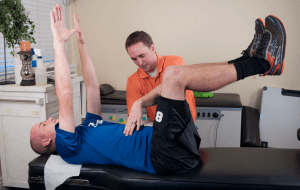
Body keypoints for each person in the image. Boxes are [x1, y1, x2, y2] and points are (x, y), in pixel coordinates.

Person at [30, 4, 286, 175]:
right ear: (46, 141)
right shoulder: (68, 145)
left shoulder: (87, 128)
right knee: (174, 76)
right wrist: (58, 42)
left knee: (176, 74)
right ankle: (261, 62)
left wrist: (82, 44)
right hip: (162, 155)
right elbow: (64, 95)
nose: (50, 119)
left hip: (171, 141)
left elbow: (92, 87)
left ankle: (253, 58)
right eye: (44, 124)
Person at [125, 31, 197, 122]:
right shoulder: (133, 80)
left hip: (185, 125)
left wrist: (140, 102)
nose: (139, 63)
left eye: (142, 56)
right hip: (158, 129)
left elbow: (170, 87)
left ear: (152, 48)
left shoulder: (175, 62)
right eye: (134, 59)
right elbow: (133, 116)